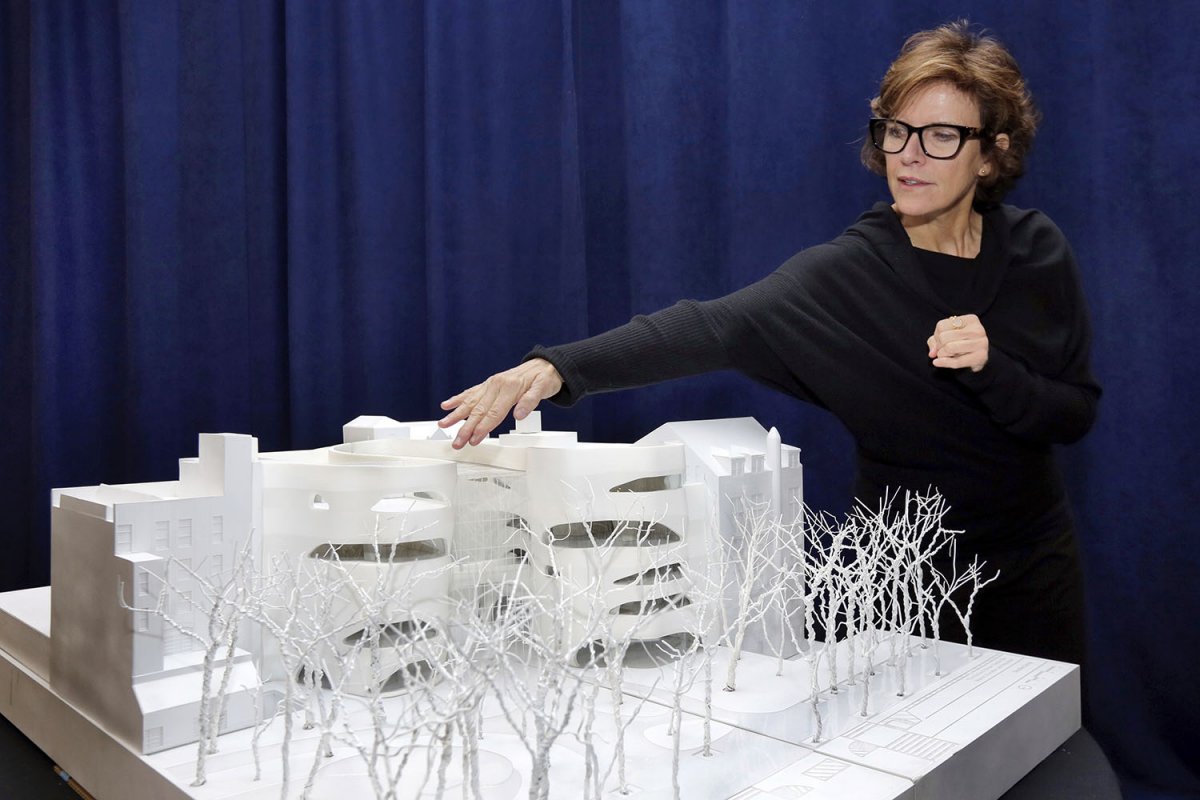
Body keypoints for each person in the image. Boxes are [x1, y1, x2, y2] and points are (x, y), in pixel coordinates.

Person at [437, 21, 1100, 668]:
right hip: (905, 582)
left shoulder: (1035, 252)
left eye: (942, 136)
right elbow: (710, 326)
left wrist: (993, 369)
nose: (910, 153)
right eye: (897, 131)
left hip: (1033, 573)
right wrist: (555, 367)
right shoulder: (847, 276)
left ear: (991, 154)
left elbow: (1071, 413)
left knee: (1042, 766)